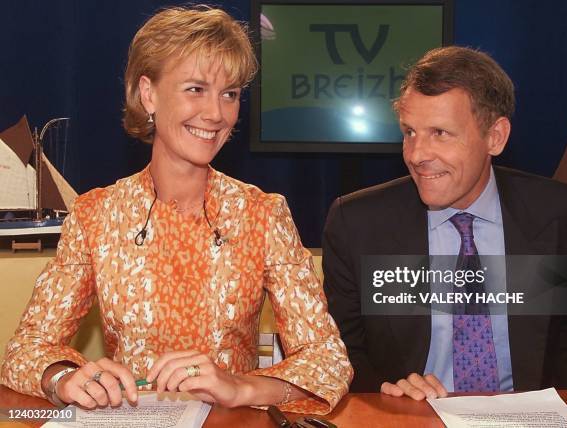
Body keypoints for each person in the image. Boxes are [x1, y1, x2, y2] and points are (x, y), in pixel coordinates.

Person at [1, 5, 352, 414]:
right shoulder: (95, 215)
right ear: (148, 94)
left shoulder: (263, 214)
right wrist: (63, 378)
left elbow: (328, 362)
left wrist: (242, 388)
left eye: (230, 94)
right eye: (195, 89)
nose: (216, 113)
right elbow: (24, 350)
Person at [322, 46, 567, 399]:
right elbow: (338, 351)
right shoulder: (358, 223)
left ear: (495, 137)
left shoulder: (559, 213)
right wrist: (385, 390)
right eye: (410, 132)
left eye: (440, 133)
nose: (417, 155)